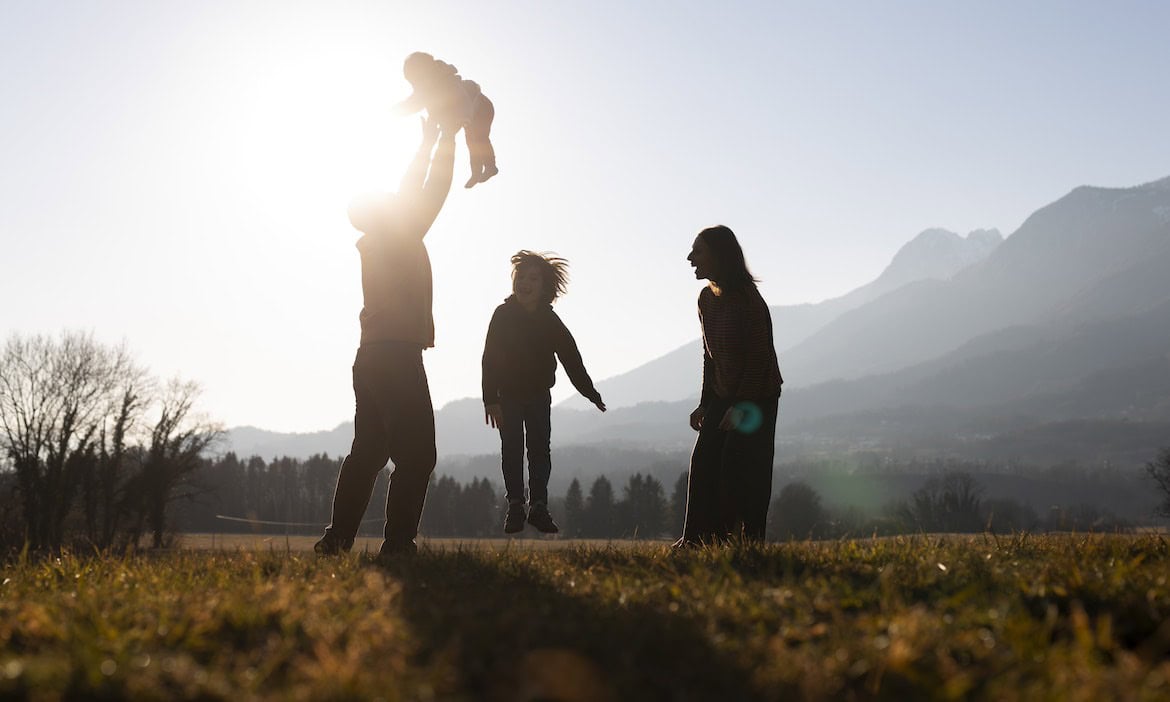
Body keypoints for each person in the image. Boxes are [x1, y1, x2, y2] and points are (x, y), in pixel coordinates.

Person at [314, 115, 457, 557]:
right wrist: (446, 137)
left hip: (371, 357)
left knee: (370, 452)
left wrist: (428, 137)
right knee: (417, 456)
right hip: (396, 357)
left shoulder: (381, 238)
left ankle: (336, 541)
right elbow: (430, 189)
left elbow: (411, 187)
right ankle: (397, 546)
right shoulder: (399, 235)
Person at [481, 251, 607, 534]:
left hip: (539, 397)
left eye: (533, 278)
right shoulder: (502, 316)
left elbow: (571, 359)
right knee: (511, 449)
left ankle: (539, 506)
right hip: (508, 397)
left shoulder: (551, 321)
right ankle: (515, 505)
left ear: (544, 287)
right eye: (521, 277)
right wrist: (490, 399)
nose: (525, 283)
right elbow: (489, 359)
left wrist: (590, 393)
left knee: (539, 451)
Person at [677, 225, 783, 546]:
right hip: (723, 394)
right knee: (704, 460)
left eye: (698, 251)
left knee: (742, 467)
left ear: (719, 256)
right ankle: (695, 540)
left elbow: (758, 359)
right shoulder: (706, 299)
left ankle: (746, 543)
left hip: (757, 397)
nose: (690, 257)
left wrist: (741, 407)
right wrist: (705, 402)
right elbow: (710, 355)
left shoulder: (749, 302)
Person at [396, 51, 498, 189]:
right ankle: (477, 171)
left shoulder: (448, 83)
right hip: (468, 114)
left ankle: (490, 167)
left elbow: (463, 100)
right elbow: (413, 103)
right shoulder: (426, 90)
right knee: (472, 140)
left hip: (481, 108)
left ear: (427, 72)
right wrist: (395, 111)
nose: (418, 85)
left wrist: (464, 118)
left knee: (477, 139)